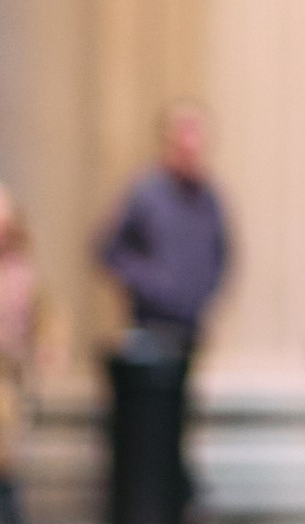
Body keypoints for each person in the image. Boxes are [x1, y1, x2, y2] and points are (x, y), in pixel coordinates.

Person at [94, 102, 229, 347]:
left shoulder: (208, 199)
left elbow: (223, 253)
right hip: (150, 324)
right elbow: (108, 249)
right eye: (184, 140)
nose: (192, 148)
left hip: (192, 324)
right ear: (168, 144)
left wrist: (205, 292)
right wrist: (150, 283)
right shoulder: (145, 194)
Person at [0, 185, 39, 524]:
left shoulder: (20, 270)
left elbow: (39, 315)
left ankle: (11, 512)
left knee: (9, 439)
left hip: (10, 367)